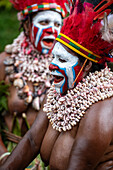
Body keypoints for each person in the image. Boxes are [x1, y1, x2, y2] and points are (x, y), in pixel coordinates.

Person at [0, 0, 113, 169]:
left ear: (87, 65)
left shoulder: (101, 110)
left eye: (62, 60)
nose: (51, 65)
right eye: (53, 57)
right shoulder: (59, 92)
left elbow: (79, 164)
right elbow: (31, 141)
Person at [0, 0, 69, 165]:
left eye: (57, 24)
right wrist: (4, 157)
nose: (52, 29)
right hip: (9, 155)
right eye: (44, 22)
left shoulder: (66, 68)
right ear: (27, 24)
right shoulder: (5, 62)